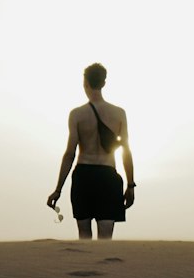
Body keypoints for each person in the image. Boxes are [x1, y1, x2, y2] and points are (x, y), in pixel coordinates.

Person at [47, 62, 135, 240]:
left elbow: (69, 154)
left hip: (84, 176)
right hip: (108, 176)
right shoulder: (119, 113)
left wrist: (58, 189)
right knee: (106, 237)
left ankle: (86, 267)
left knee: (84, 236)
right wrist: (130, 184)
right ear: (103, 83)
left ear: (85, 83)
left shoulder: (77, 114)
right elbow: (126, 151)